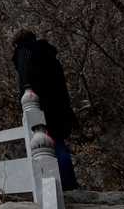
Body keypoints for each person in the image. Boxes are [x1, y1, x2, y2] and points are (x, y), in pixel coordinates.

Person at [11, 29, 79, 190]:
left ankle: (59, 186)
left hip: (41, 109)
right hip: (61, 109)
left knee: (46, 147)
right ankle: (70, 184)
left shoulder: (24, 52)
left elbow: (27, 80)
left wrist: (27, 96)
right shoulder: (51, 56)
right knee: (59, 145)